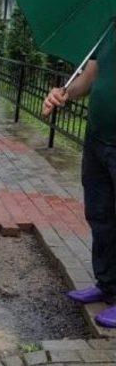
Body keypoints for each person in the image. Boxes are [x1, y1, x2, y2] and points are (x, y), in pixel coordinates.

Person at [43, 22, 116, 328]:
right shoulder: (110, 26)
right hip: (98, 138)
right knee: (100, 215)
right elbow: (91, 75)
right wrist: (65, 92)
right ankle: (108, 285)